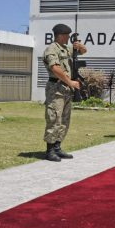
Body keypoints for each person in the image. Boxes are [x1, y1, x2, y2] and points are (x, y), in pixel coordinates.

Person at [42, 23, 87, 162]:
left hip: (66, 89)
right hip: (56, 88)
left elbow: (84, 51)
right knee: (54, 118)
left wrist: (80, 46)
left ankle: (57, 147)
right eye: (67, 35)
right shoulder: (51, 49)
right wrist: (70, 82)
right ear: (61, 35)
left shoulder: (66, 49)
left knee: (64, 120)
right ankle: (50, 150)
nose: (68, 37)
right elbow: (55, 69)